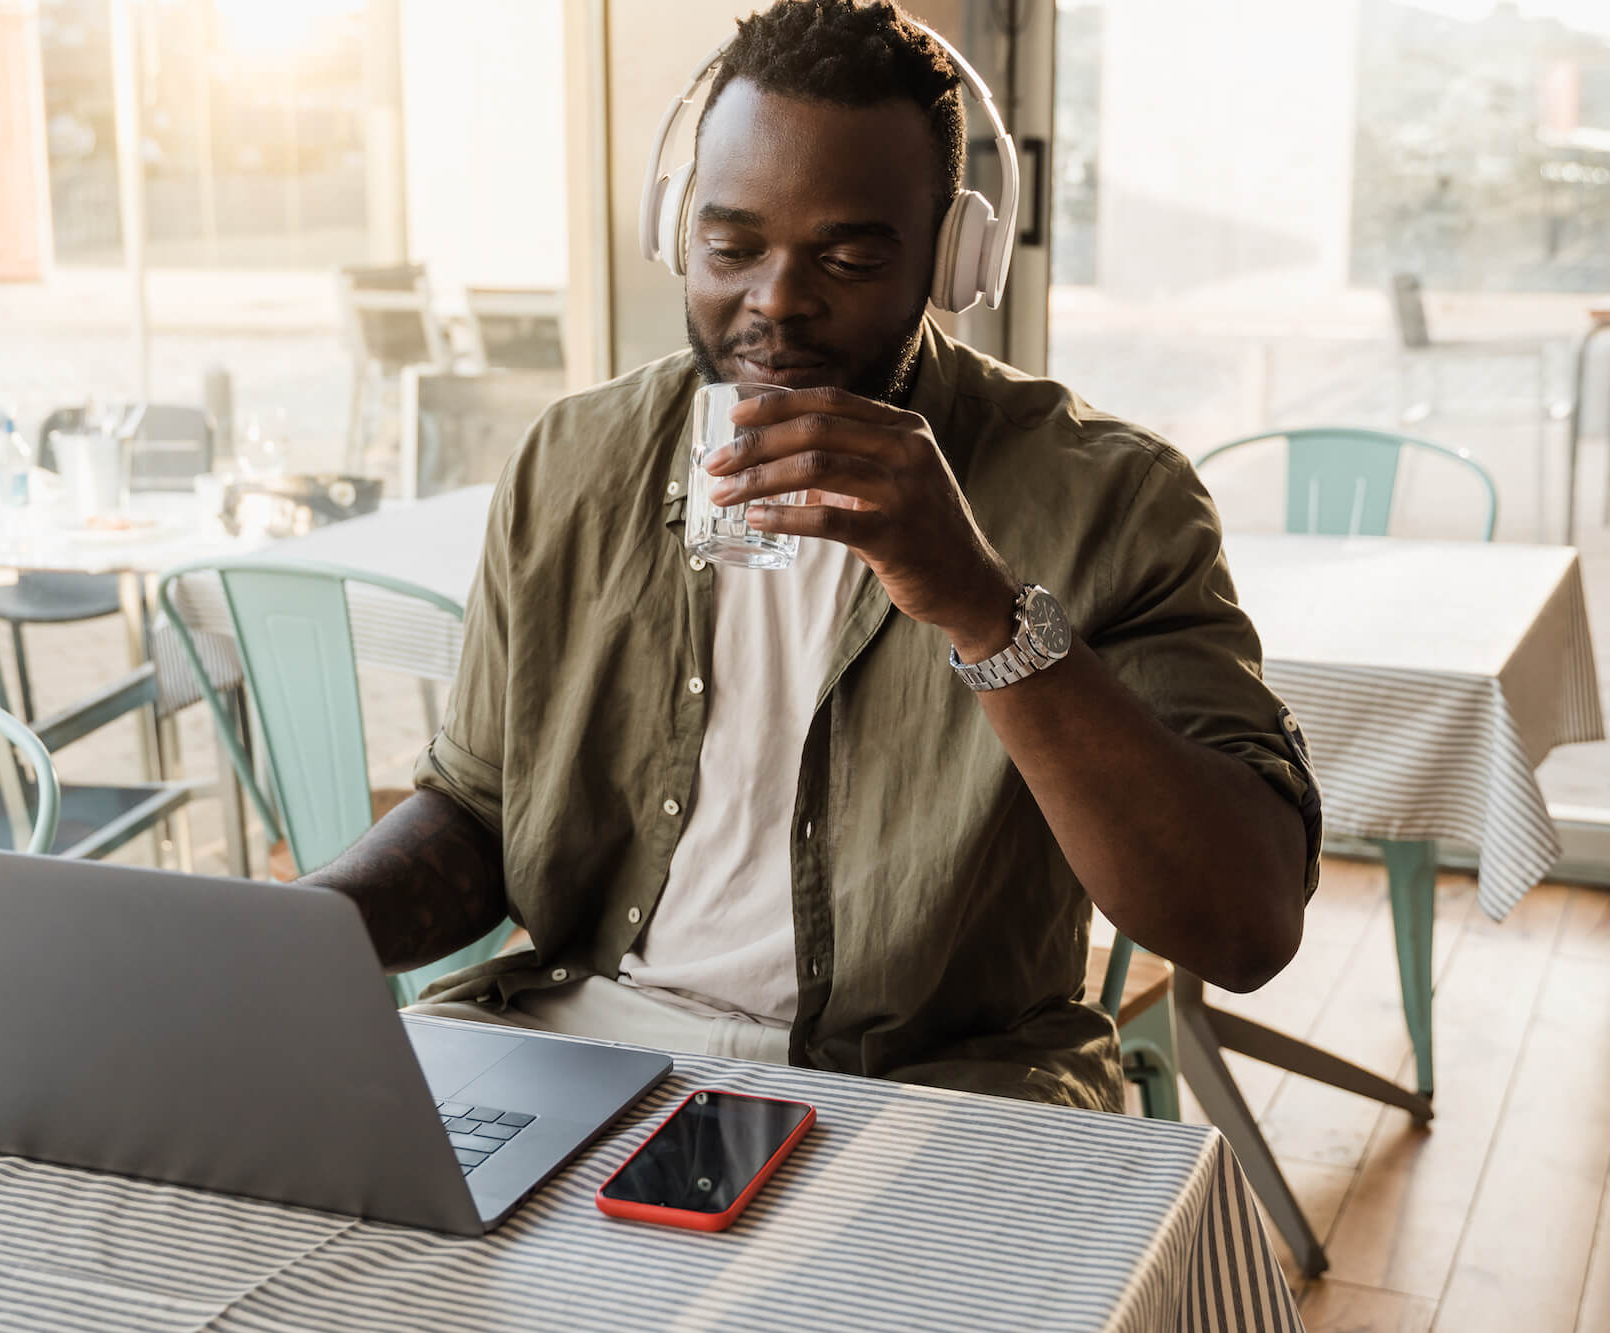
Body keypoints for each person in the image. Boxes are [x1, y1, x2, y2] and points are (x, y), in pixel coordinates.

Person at [302, 0, 1320, 1113]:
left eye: (844, 256)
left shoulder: (1112, 497)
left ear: (953, 255)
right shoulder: (572, 458)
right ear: (675, 229)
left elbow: (1242, 925)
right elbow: (479, 808)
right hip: (578, 1035)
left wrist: (978, 606)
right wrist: (310, 929)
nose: (775, 302)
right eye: (731, 247)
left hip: (935, 1084)